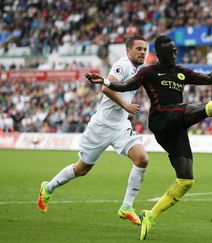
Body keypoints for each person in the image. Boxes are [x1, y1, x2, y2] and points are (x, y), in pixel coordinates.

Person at [85, 35, 212, 240]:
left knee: (186, 180)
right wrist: (105, 80)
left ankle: (151, 216)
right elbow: (126, 85)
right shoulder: (149, 71)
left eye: (175, 50)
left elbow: (210, 79)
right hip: (162, 119)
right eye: (171, 51)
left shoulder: (180, 72)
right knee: (203, 108)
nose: (174, 53)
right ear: (160, 54)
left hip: (175, 127)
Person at [38, 36, 150, 225]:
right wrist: (126, 106)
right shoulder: (122, 65)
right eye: (138, 49)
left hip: (121, 125)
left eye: (144, 49)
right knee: (82, 169)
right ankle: (48, 188)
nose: (142, 52)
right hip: (102, 125)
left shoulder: (138, 70)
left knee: (142, 158)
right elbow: (106, 88)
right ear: (128, 51)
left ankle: (126, 207)